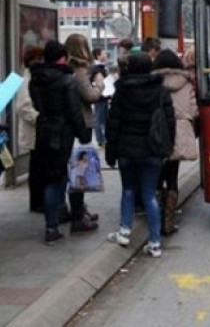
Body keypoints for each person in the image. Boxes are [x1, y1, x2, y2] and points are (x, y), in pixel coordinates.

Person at [105, 53, 176, 258]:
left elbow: (113, 124)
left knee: (128, 190)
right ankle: (154, 243)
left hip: (126, 151)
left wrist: (111, 151)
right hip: (152, 151)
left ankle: (125, 232)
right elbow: (169, 122)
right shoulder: (161, 91)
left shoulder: (122, 91)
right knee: (149, 194)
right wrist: (167, 147)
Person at [30, 40, 94, 244]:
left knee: (51, 179)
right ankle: (76, 218)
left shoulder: (36, 79)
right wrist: (83, 134)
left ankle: (51, 225)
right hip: (65, 134)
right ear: (63, 57)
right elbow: (74, 112)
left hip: (44, 132)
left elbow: (38, 105)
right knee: (73, 178)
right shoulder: (67, 80)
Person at [153, 49, 199, 235]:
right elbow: (195, 110)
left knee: (157, 177)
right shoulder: (186, 84)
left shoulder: (153, 82)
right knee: (173, 176)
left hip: (158, 131)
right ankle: (169, 222)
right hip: (180, 131)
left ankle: (156, 218)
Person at [65, 33, 103, 227]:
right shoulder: (80, 70)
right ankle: (78, 217)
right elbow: (89, 95)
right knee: (79, 172)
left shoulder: (68, 68)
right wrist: (100, 86)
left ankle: (80, 211)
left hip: (71, 124)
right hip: (82, 123)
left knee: (75, 170)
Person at [16, 45, 46, 212]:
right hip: (34, 131)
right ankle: (36, 201)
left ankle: (38, 200)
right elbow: (23, 107)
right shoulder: (26, 80)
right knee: (36, 167)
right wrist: (40, 119)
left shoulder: (33, 78)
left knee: (38, 166)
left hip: (38, 130)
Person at [92, 47, 109, 150]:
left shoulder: (99, 67)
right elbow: (100, 83)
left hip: (103, 97)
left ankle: (103, 140)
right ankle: (101, 140)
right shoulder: (97, 69)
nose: (106, 55)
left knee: (103, 118)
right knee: (99, 119)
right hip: (100, 97)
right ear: (98, 55)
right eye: (104, 53)